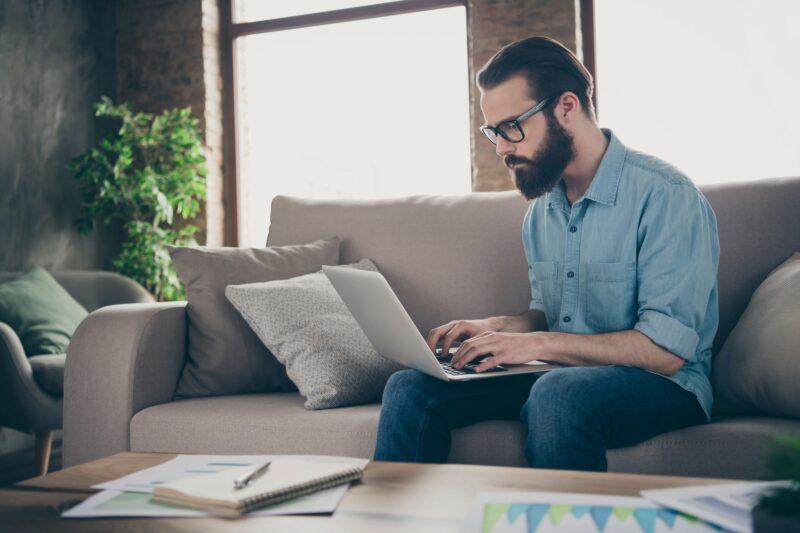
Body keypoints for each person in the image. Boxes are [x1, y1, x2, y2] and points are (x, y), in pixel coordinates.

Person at [373, 36, 720, 471]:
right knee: (410, 386)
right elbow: (548, 314)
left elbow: (666, 352)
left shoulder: (665, 196)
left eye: (511, 127)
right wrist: (493, 330)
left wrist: (534, 344)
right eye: (493, 131)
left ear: (567, 108)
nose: (501, 148)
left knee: (558, 394)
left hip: (665, 384)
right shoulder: (542, 212)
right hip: (560, 375)